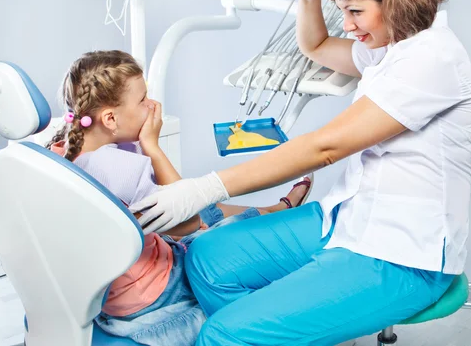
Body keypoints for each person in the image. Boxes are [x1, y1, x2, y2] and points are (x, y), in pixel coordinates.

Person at [130, 0, 471, 345]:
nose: (347, 25)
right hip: (347, 219)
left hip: (399, 254)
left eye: (355, 11)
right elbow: (315, 45)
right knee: (208, 259)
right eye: (342, 11)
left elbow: (325, 147)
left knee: (224, 334)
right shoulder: (392, 45)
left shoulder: (430, 58)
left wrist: (204, 188)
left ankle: (241, 336)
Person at [47, 50, 312, 346]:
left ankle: (274, 209)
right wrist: (152, 145)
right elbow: (188, 221)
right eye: (143, 100)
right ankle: (278, 212)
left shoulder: (60, 150)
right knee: (216, 225)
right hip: (158, 289)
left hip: (118, 290)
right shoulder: (118, 170)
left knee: (204, 207)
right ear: (110, 118)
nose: (153, 106)